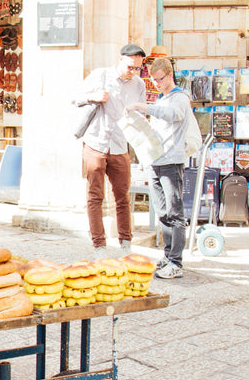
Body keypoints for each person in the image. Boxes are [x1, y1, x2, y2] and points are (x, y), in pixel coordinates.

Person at [73, 44, 148, 257]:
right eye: (130, 66)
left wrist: (136, 113)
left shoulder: (138, 84)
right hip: (96, 141)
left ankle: (125, 243)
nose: (133, 72)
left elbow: (141, 111)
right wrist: (94, 97)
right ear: (121, 59)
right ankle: (99, 246)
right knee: (95, 195)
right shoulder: (101, 75)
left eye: (137, 68)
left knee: (122, 195)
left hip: (119, 144)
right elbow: (75, 98)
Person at [127, 57, 190, 279]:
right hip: (155, 161)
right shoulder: (162, 99)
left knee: (175, 212)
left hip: (172, 161)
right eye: (154, 80)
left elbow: (175, 115)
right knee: (162, 212)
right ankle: (168, 255)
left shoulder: (179, 98)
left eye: (160, 79)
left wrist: (146, 108)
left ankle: (176, 261)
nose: (157, 84)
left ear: (170, 74)